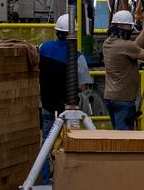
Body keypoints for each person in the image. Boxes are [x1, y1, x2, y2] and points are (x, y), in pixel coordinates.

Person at [38, 14, 93, 182]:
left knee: (46, 144)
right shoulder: (78, 57)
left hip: (47, 105)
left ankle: (46, 180)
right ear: (74, 34)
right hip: (68, 110)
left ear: (56, 31)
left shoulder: (43, 48)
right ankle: (69, 180)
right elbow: (82, 86)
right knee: (70, 144)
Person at [101, 9, 144, 130]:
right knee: (124, 138)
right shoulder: (125, 46)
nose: (131, 29)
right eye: (129, 26)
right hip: (123, 100)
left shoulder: (108, 43)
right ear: (121, 27)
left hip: (110, 97)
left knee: (118, 133)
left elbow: (134, 46)